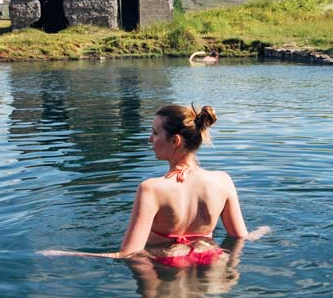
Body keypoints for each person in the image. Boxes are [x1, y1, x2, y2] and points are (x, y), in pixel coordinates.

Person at [40, 104, 270, 262]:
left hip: (165, 270)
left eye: (155, 133)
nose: (150, 139)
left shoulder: (152, 189)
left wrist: (66, 253)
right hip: (212, 265)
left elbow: (128, 255)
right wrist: (263, 230)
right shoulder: (223, 181)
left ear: (175, 141)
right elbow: (241, 238)